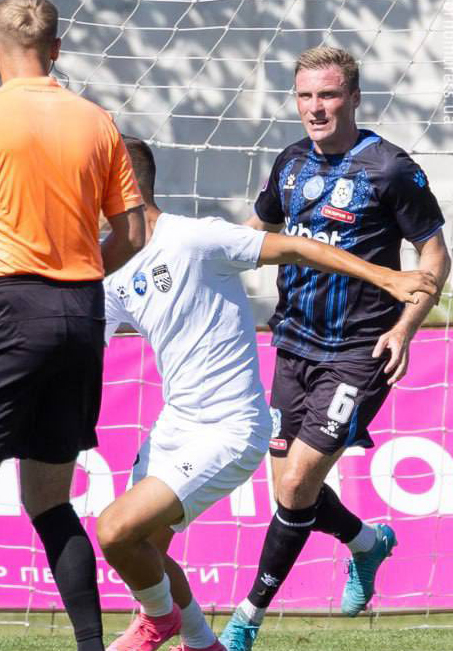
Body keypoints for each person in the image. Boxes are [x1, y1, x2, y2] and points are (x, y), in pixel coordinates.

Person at [96, 137, 437, 651]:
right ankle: (202, 640)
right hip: (174, 424)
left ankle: (183, 620)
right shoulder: (106, 266)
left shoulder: (196, 238)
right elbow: (81, 342)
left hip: (232, 428)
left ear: (119, 185)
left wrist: (386, 277)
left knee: (116, 529)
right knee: (143, 548)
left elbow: (299, 246)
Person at [0, 0, 147, 649]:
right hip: (82, 314)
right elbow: (132, 233)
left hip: (8, 309)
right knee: (49, 500)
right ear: (57, 47)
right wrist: (78, 278)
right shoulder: (96, 120)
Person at [218, 46, 450, 651]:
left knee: (297, 486)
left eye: (327, 95)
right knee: (289, 491)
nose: (315, 108)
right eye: (305, 96)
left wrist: (404, 328)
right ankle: (367, 543)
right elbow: (257, 232)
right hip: (292, 344)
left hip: (359, 351)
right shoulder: (291, 162)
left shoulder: (389, 168)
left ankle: (246, 619)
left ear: (353, 98)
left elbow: (435, 256)